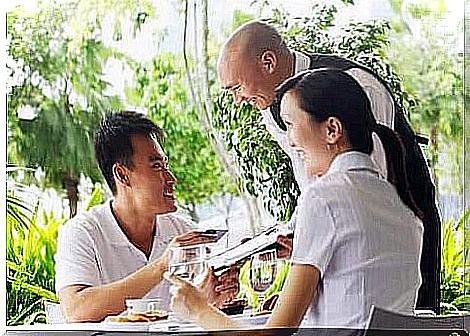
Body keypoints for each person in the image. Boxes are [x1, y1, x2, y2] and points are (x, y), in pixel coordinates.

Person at [166, 69, 424, 331]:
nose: (289, 140)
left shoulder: (324, 196)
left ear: (332, 129)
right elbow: (361, 285)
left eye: (289, 124)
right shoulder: (402, 208)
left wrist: (197, 308)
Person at [217, 20, 440, 312]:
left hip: (397, 245)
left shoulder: (357, 85)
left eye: (237, 87)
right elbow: (312, 180)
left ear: (268, 62)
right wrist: (300, 243)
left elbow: (365, 194)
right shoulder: (273, 105)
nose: (237, 99)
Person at [55, 111, 225, 322]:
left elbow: (190, 313)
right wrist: (162, 265)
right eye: (156, 166)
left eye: (166, 165)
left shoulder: (185, 232)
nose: (171, 179)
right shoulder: (82, 233)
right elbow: (77, 310)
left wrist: (213, 299)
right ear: (122, 175)